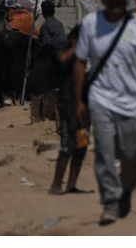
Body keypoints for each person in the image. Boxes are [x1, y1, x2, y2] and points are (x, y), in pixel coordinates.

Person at [74, 0, 136, 226]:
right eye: (110, 1)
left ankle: (125, 191)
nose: (114, 6)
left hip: (132, 102)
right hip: (100, 99)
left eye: (118, 1)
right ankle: (110, 202)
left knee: (131, 155)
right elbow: (80, 62)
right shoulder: (90, 24)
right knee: (105, 153)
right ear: (103, 1)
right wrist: (79, 100)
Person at [49, 26, 88, 195]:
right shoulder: (62, 47)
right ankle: (56, 185)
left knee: (82, 143)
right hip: (69, 103)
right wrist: (76, 47)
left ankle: (72, 185)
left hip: (86, 107)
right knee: (68, 142)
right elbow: (61, 59)